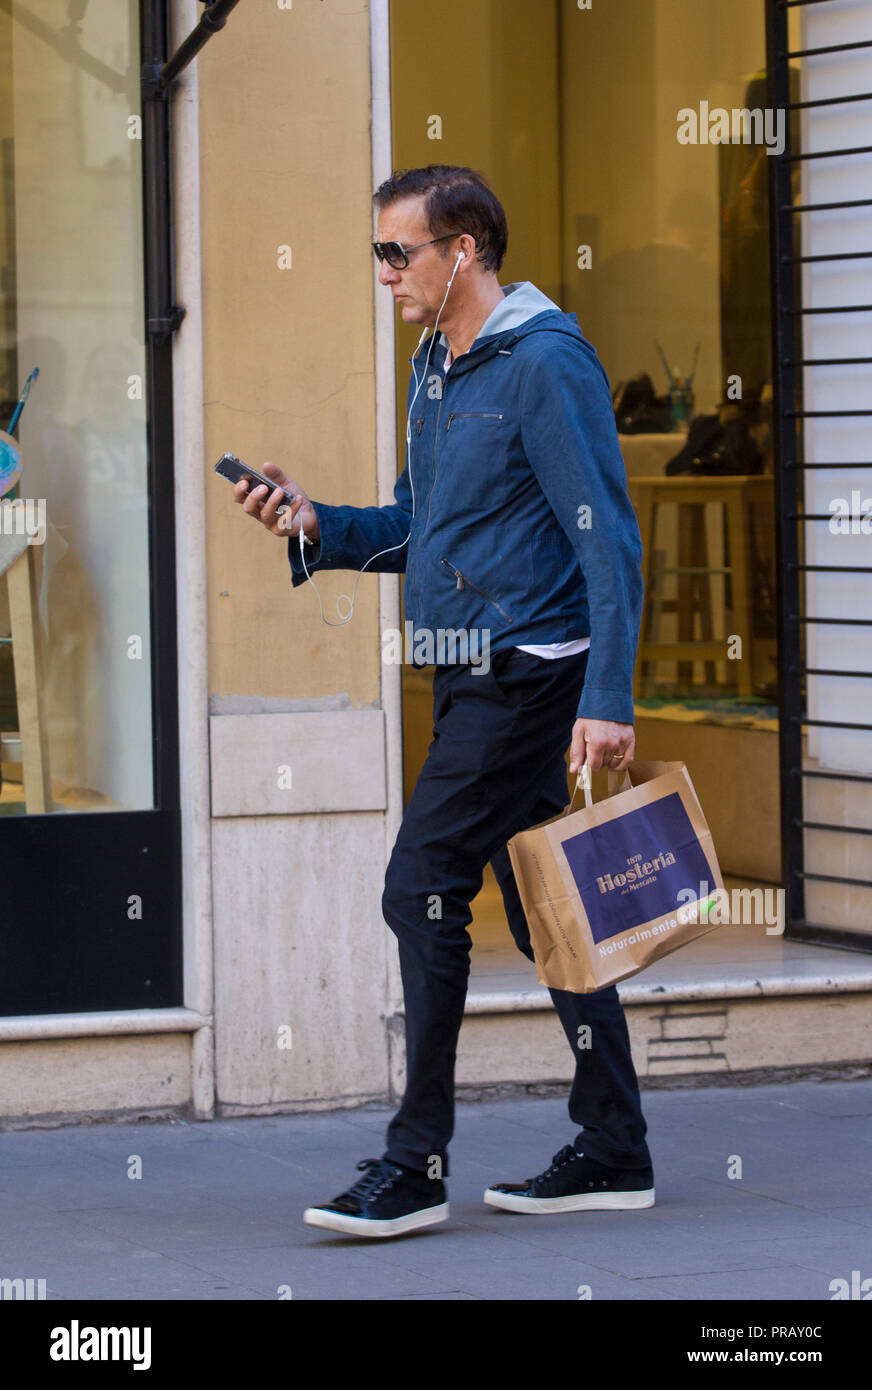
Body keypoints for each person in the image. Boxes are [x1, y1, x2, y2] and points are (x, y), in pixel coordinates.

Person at [233, 164, 653, 1239]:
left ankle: (413, 1160)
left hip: (529, 672)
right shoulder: (434, 364)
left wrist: (606, 694)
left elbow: (607, 533)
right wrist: (314, 522)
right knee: (542, 903)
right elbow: (420, 525)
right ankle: (612, 1143)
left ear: (459, 250)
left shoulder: (544, 363)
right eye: (376, 252)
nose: (382, 274)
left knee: (419, 883)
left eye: (396, 252)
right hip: (463, 665)